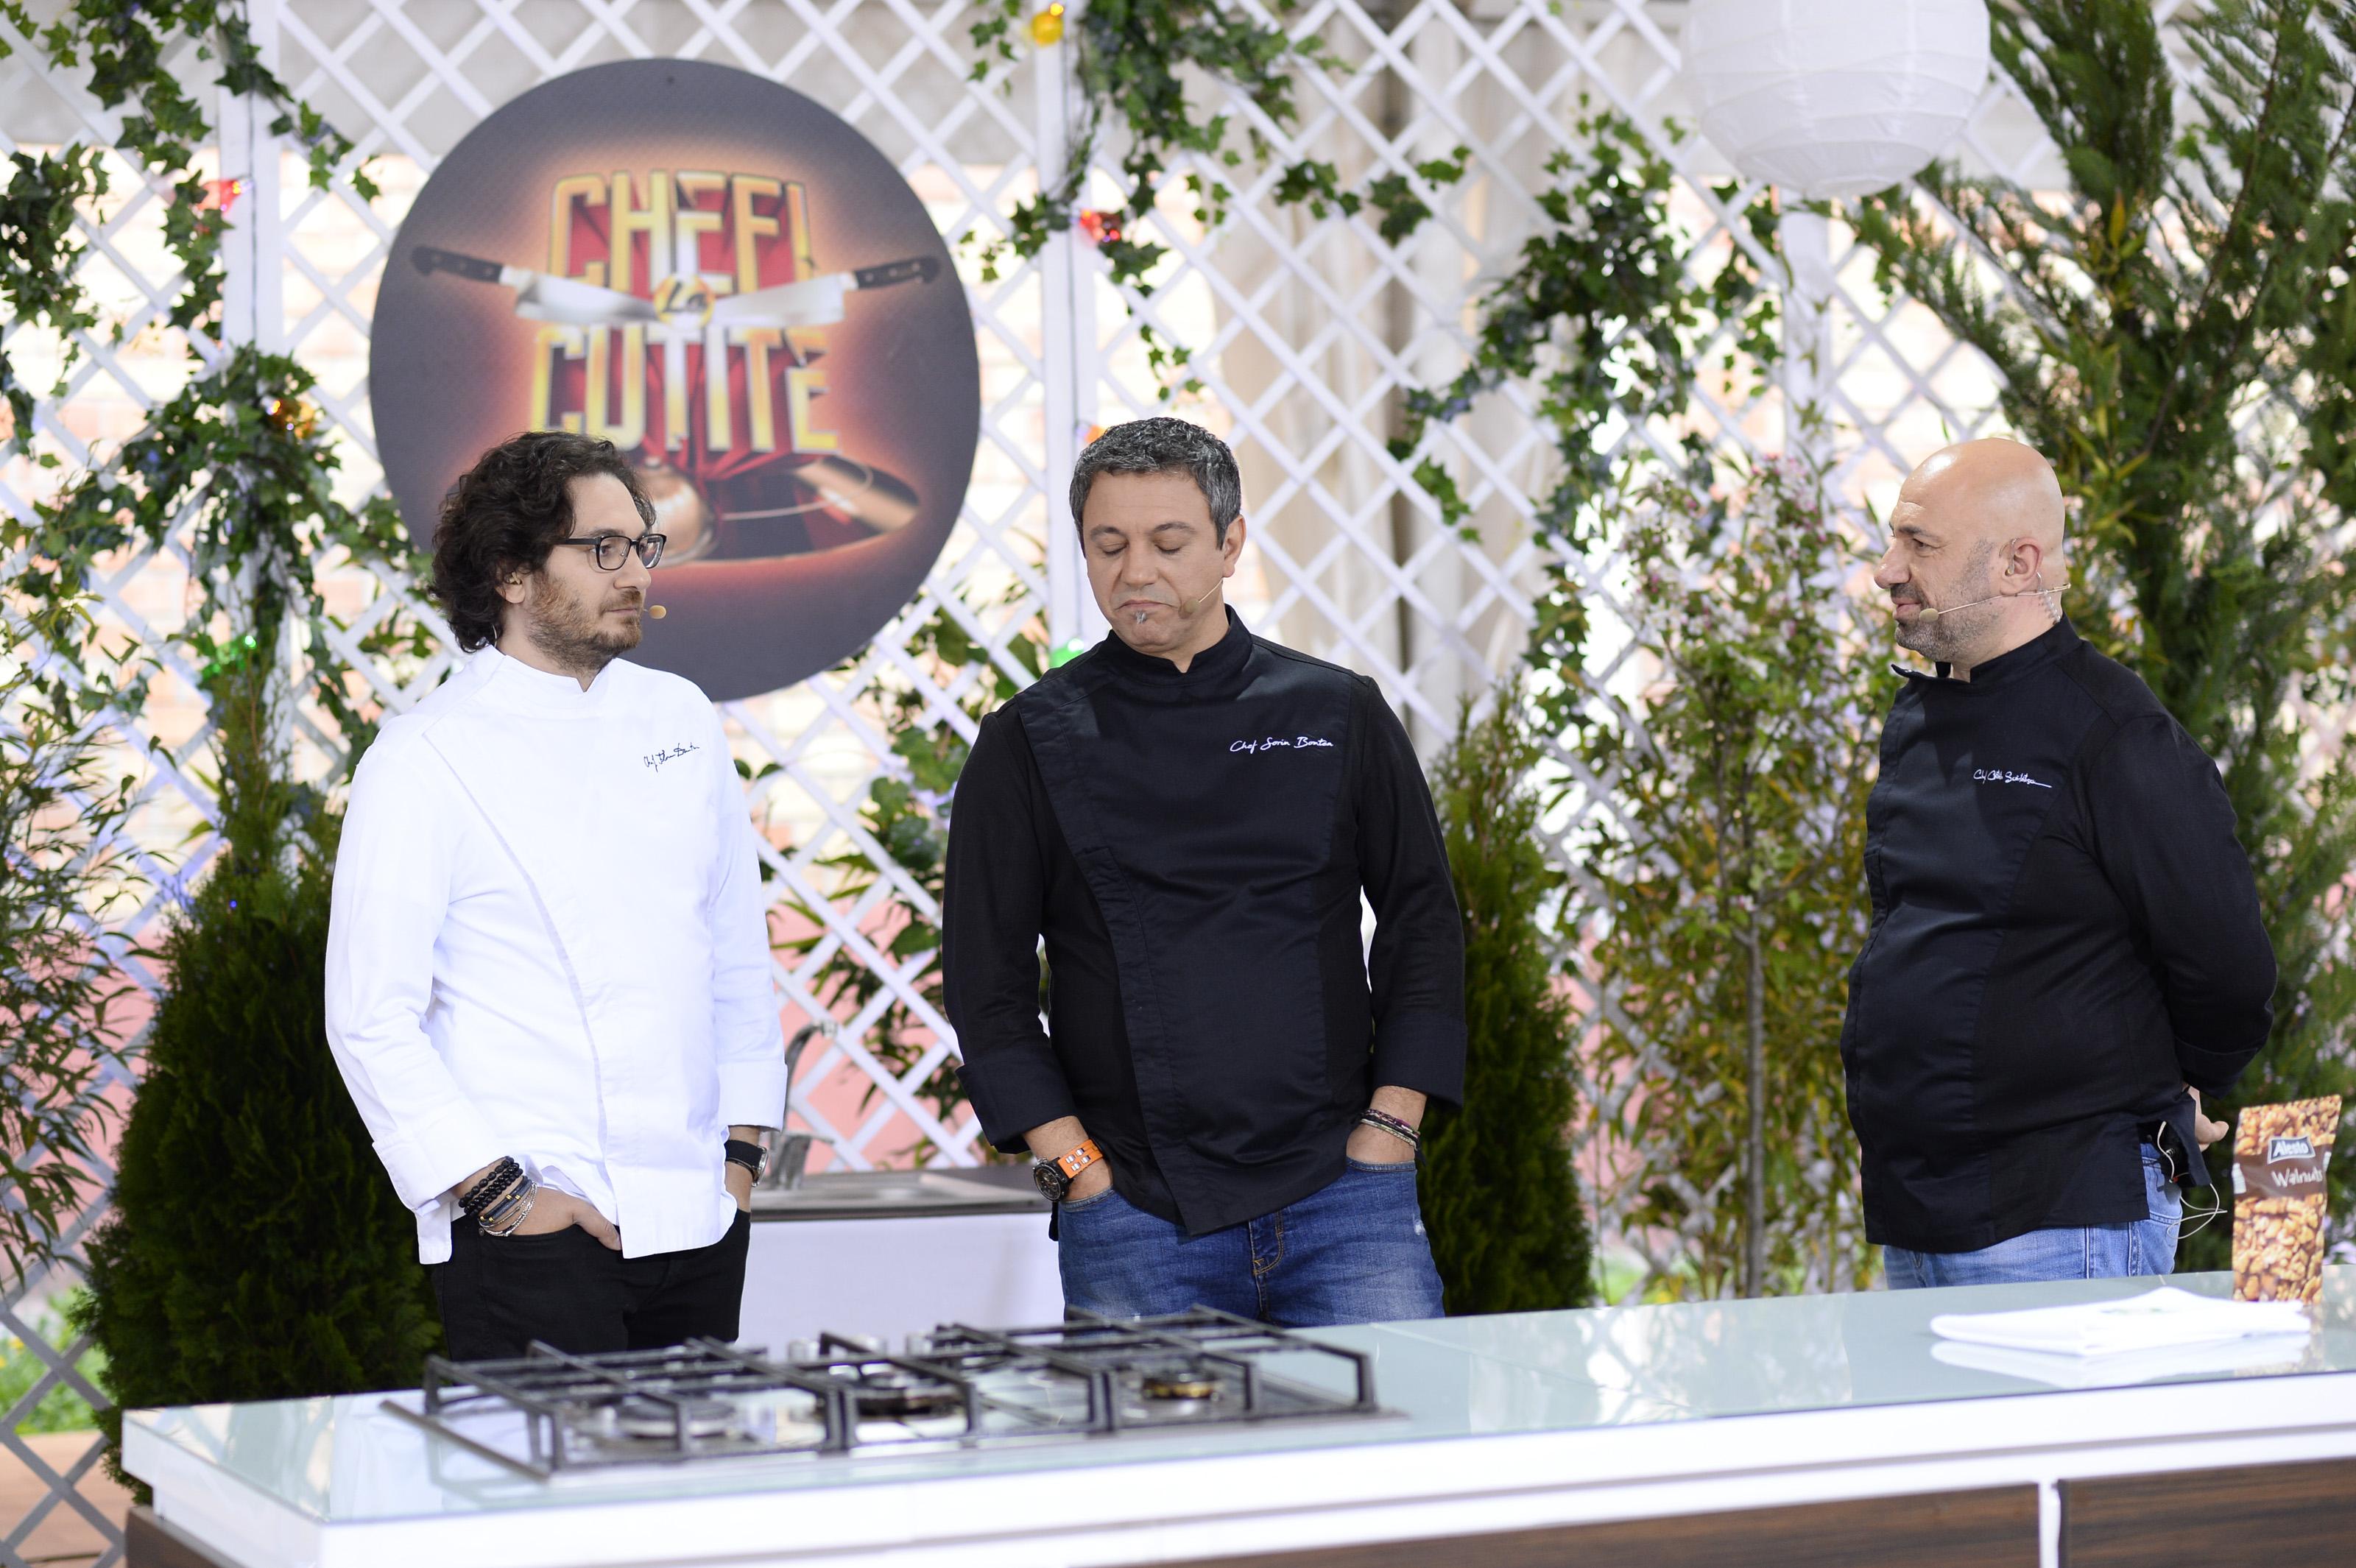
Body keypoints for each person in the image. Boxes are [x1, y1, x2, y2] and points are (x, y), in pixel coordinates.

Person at [942, 417, 1464, 1327]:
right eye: (1108, 545)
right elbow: (985, 985)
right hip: (1137, 1216)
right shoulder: (1027, 739)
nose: (1134, 570)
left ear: (1229, 545)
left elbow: (1422, 923)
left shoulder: (1335, 711)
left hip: (1346, 1204)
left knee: (1394, 1423)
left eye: (1167, 542)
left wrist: (1389, 1131)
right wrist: (1076, 1170)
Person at [325, 430, 783, 1359]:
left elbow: (733, 954)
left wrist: (738, 1161)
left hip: (696, 1220)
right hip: (532, 1232)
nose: (636, 574)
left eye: (641, 545)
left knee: (699, 1455)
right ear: (511, 573)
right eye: (601, 548)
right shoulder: (422, 758)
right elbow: (369, 1018)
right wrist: (499, 1195)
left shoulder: (680, 717)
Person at [1843, 438, 2276, 1289]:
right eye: (1893, 540)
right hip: (1917, 1211)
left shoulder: (2115, 736)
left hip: (2060, 1219)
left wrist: (2183, 1084)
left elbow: (2227, 966)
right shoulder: (1921, 719)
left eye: (1918, 544)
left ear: (2017, 564)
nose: (1887, 570)